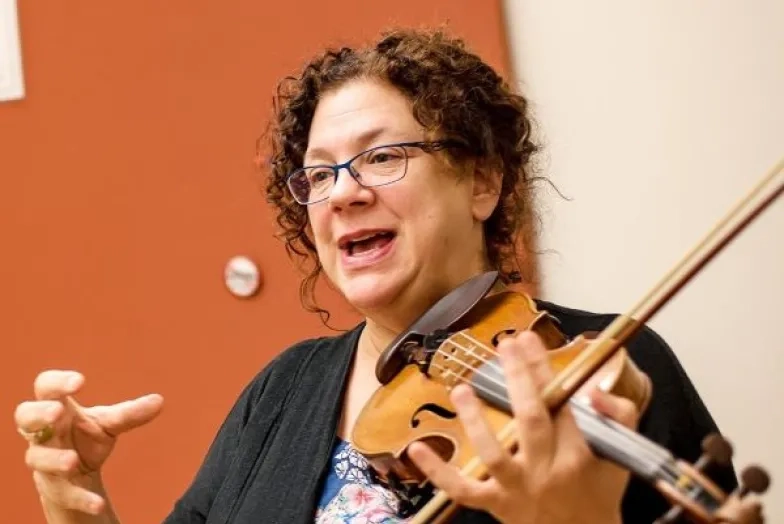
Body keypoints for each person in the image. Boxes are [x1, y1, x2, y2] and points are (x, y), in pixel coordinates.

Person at [14, 28, 739, 524]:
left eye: (382, 157)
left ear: (482, 182)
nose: (343, 192)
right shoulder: (281, 391)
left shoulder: (605, 367)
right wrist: (80, 504)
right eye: (320, 172)